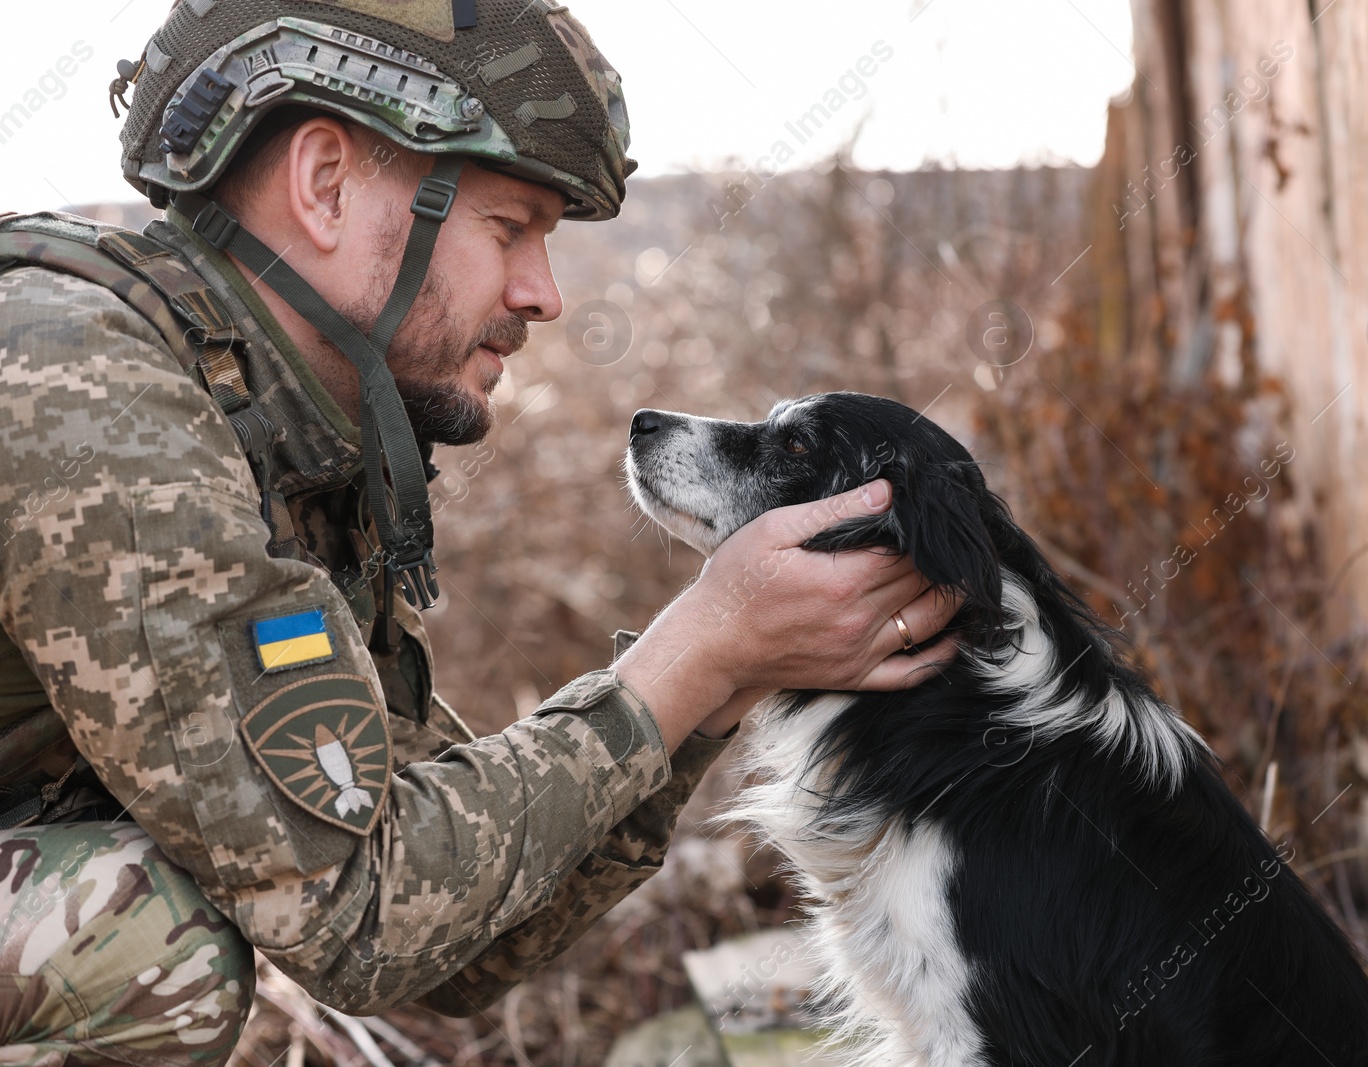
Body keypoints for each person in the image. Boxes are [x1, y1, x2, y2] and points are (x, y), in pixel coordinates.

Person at [0, 2, 957, 1063]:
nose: (542, 294)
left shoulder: (281, 438)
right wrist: (700, 644)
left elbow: (459, 936)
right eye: (509, 228)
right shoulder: (81, 383)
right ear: (325, 186)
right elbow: (355, 913)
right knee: (139, 938)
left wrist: (719, 678)